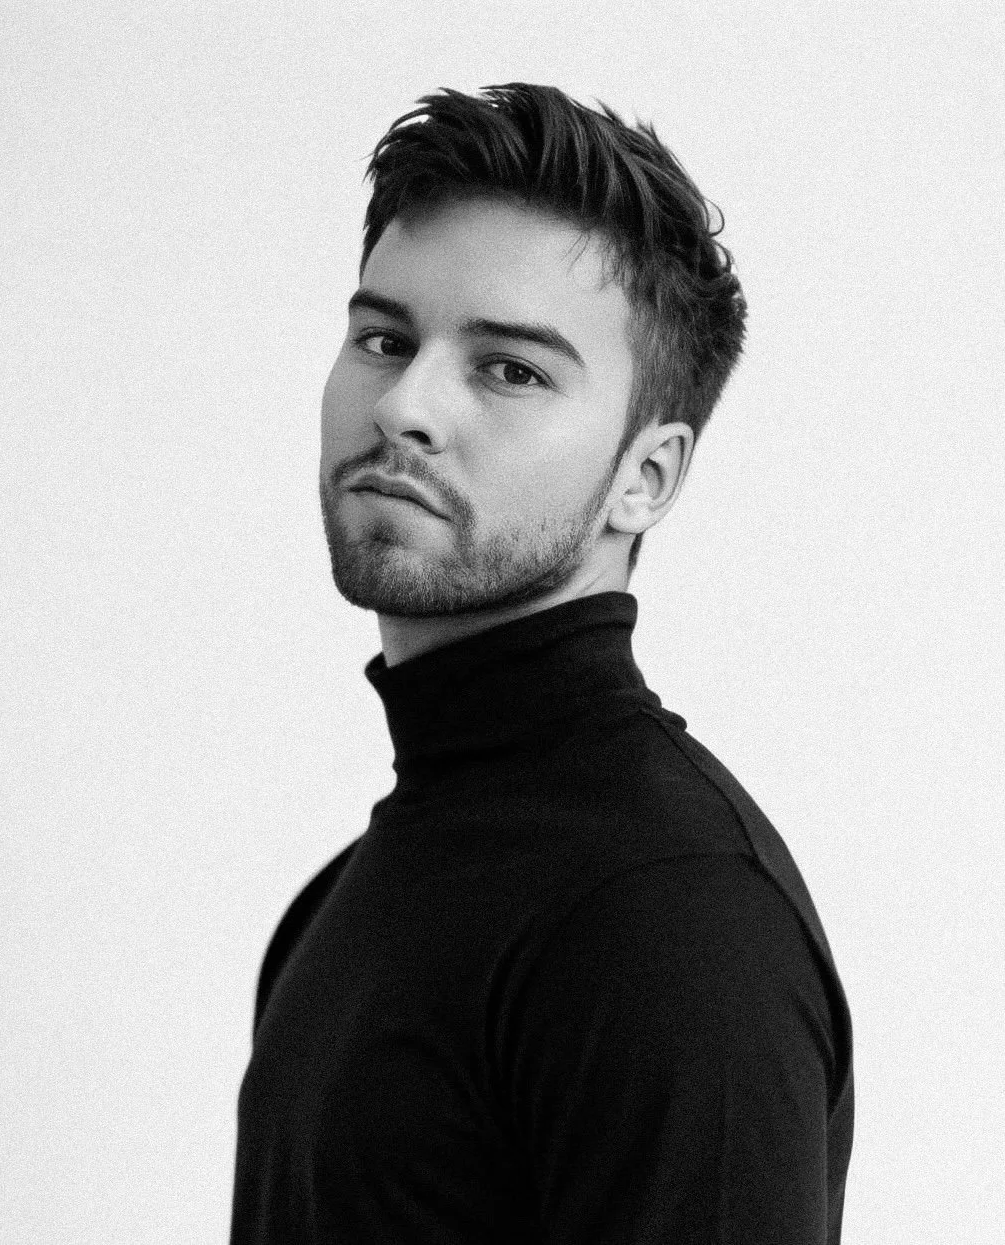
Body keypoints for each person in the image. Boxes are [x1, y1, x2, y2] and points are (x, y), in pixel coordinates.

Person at [230, 82, 854, 1244]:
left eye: (510, 369)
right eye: (384, 340)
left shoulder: (669, 920)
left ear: (646, 478)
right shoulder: (352, 895)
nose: (405, 406)